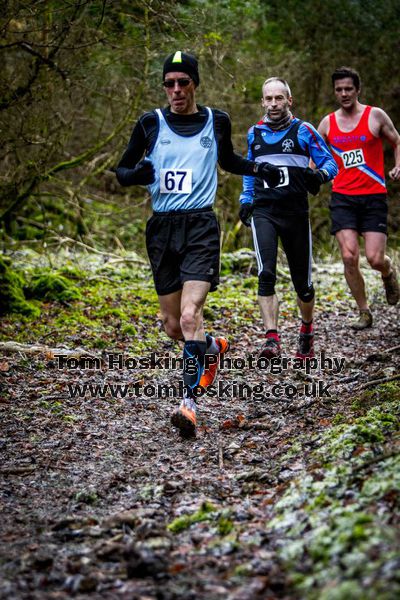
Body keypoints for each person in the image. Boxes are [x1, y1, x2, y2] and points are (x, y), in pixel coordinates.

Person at [116, 51, 281, 437]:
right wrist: (136, 174)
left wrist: (259, 168)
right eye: (169, 83)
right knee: (173, 325)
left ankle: (188, 405)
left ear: (195, 84)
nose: (175, 90)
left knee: (190, 315)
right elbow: (122, 171)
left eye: (183, 82)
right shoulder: (149, 123)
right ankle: (211, 347)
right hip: (161, 228)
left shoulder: (216, 120)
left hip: (201, 226)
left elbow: (229, 161)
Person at [239, 77, 338, 360]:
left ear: (289, 101)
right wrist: (246, 200)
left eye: (278, 98)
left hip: (295, 212)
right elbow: (249, 169)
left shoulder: (304, 130)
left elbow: (330, 163)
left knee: (303, 286)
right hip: (264, 211)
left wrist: (319, 175)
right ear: (262, 102)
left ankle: (306, 328)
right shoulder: (254, 133)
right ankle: (272, 339)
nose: (273, 104)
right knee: (265, 273)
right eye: (268, 99)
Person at [317, 66, 400, 329]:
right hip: (343, 198)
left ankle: (388, 273)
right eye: (339, 89)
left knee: (375, 258)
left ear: (357, 90)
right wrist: (314, 174)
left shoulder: (374, 116)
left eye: (348, 89)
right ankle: (364, 312)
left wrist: (398, 165)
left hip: (373, 196)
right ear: (334, 91)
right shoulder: (328, 123)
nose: (344, 94)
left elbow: (397, 140)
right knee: (349, 256)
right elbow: (314, 154)